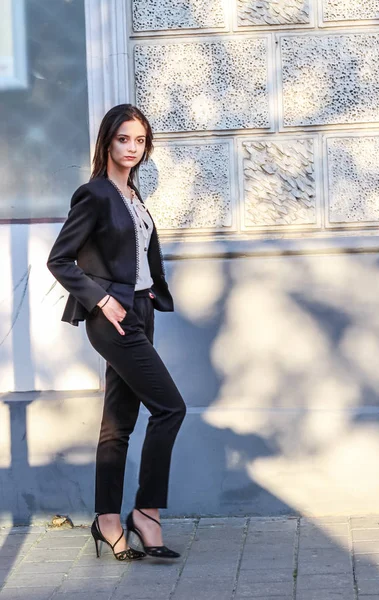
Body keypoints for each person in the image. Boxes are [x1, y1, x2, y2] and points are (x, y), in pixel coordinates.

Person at [47, 104, 186, 561]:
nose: (132, 148)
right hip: (114, 317)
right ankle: (146, 512)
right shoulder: (95, 195)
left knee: (117, 424)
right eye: (124, 139)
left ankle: (108, 519)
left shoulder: (133, 196)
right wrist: (102, 300)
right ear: (107, 141)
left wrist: (140, 302)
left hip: (141, 310)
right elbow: (60, 259)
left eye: (140, 140)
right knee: (170, 407)